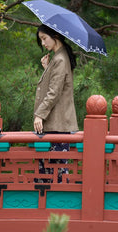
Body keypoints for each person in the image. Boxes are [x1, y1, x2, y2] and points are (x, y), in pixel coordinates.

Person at [33, 24, 78, 183]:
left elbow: (54, 92)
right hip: (57, 124)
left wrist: (39, 115)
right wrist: (46, 68)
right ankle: (54, 206)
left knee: (53, 174)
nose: (43, 43)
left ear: (55, 36)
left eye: (45, 38)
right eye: (41, 40)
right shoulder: (60, 56)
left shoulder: (60, 59)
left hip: (57, 125)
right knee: (53, 172)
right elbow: (56, 85)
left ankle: (54, 206)